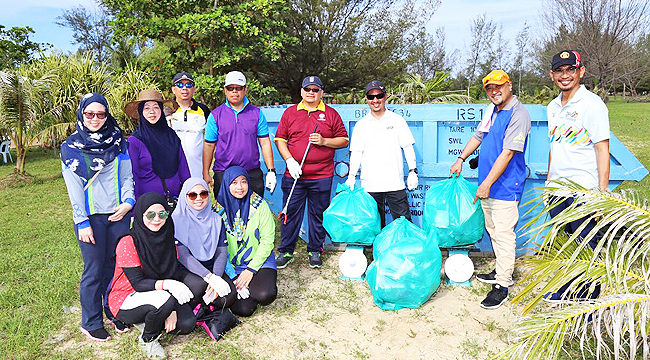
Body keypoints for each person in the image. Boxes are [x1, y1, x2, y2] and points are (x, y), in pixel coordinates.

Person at [450, 69, 531, 309]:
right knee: (493, 230)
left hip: (505, 186)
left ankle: (502, 286)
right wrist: (461, 158)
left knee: (504, 234)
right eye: (489, 88)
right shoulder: (492, 110)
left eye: (499, 86)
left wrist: (486, 184)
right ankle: (501, 270)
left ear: (509, 86)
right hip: (487, 185)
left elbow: (508, 153)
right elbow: (478, 137)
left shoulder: (518, 113)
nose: (494, 91)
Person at [61, 93, 134, 341]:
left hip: (118, 215)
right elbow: (73, 190)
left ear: (107, 115)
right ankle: (91, 321)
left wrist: (128, 203)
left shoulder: (118, 141)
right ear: (82, 114)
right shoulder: (70, 148)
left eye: (100, 114)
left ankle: (113, 310)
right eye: (89, 114)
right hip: (90, 219)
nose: (95, 119)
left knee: (115, 267)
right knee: (94, 269)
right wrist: (82, 222)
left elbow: (126, 176)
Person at [544, 50, 610, 302]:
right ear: (552, 76)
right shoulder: (552, 107)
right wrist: (549, 183)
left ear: (580, 72)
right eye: (559, 71)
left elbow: (602, 149)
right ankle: (567, 290)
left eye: (570, 69)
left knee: (587, 249)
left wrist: (601, 195)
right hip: (557, 192)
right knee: (565, 247)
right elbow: (554, 146)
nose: (565, 75)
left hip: (584, 192)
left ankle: (588, 304)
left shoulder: (592, 105)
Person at [108, 192, 201, 358]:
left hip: (158, 293)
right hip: (126, 298)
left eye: (162, 213)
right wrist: (169, 292)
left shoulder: (167, 235)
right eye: (150, 214)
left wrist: (170, 308)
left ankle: (150, 318)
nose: (156, 219)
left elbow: (172, 271)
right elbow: (138, 284)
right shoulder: (128, 242)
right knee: (165, 300)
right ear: (140, 214)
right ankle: (148, 339)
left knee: (187, 324)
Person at [274, 75, 349, 269]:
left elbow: (343, 140)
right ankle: (286, 251)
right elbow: (280, 139)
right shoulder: (290, 113)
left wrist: (324, 141)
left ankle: (315, 250)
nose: (311, 93)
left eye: (315, 90)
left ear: (321, 93)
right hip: (295, 175)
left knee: (317, 214)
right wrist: (290, 160)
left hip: (321, 175)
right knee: (290, 213)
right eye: (307, 89)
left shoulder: (331, 114)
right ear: (301, 92)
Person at [345, 80, 418, 228]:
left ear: (386, 96)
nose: (375, 100)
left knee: (403, 223)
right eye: (371, 97)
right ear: (366, 99)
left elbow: (407, 147)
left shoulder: (397, 120)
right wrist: (351, 176)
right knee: (374, 225)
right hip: (370, 184)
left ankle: (404, 250)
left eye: (379, 96)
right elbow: (357, 153)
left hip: (394, 182)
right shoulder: (361, 124)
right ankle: (375, 251)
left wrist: (412, 171)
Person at [214, 166, 278, 316]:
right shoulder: (217, 211)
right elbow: (218, 249)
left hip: (259, 262)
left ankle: (254, 284)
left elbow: (268, 240)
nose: (240, 187)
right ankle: (246, 287)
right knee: (244, 309)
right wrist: (234, 276)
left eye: (243, 182)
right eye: (234, 183)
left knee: (265, 295)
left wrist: (250, 270)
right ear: (226, 184)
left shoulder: (259, 205)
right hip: (231, 266)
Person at [202, 71, 276, 198]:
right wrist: (205, 172)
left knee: (254, 214)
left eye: (238, 88)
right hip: (224, 173)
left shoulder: (257, 113)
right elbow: (209, 145)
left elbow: (264, 142)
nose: (234, 92)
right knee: (225, 215)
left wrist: (271, 170)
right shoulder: (215, 115)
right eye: (230, 88)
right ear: (225, 90)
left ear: (245, 90)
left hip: (251, 173)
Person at [171, 177, 237, 312]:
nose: (198, 198)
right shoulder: (176, 220)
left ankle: (204, 308)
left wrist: (217, 277)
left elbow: (221, 251)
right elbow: (183, 256)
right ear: (185, 197)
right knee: (198, 287)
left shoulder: (216, 220)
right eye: (192, 195)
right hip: (186, 268)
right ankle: (201, 307)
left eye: (203, 193)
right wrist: (209, 277)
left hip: (211, 266)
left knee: (229, 295)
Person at [125, 89, 191, 202]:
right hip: (148, 206)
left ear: (161, 110)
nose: (152, 112)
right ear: (141, 112)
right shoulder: (135, 141)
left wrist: (190, 194)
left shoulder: (171, 136)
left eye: (156, 107)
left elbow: (184, 169)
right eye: (147, 108)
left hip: (175, 202)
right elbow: (132, 177)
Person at [167, 72, 211, 178]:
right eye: (180, 85)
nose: (185, 88)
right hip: (172, 171)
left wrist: (207, 172)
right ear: (173, 89)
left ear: (194, 89)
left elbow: (212, 140)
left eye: (189, 85)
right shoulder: (166, 110)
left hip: (197, 171)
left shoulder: (203, 110)